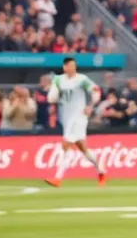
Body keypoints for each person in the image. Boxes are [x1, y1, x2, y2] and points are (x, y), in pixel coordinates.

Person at [43, 57, 106, 187]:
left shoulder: (82, 79)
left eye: (74, 65)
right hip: (66, 117)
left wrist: (91, 105)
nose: (73, 68)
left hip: (79, 116)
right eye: (70, 66)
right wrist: (52, 97)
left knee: (66, 144)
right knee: (83, 148)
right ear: (65, 67)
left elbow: (96, 91)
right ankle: (101, 171)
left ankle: (57, 178)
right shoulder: (58, 79)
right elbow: (51, 97)